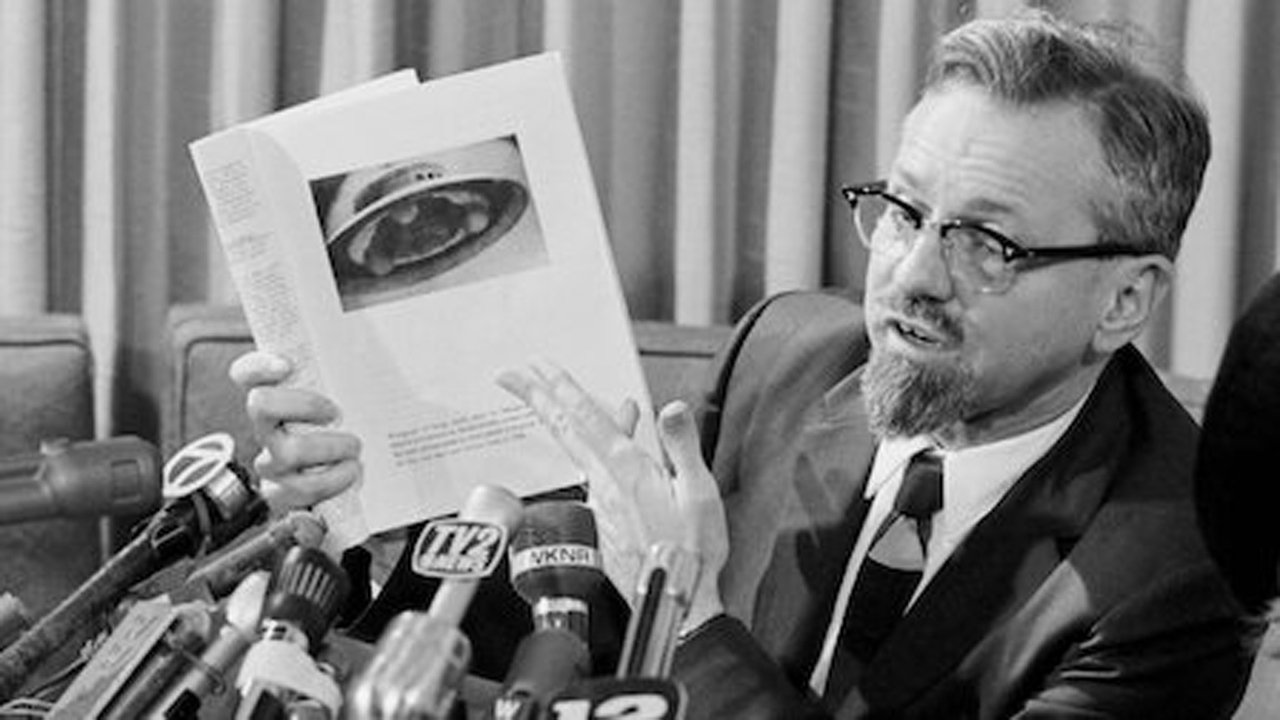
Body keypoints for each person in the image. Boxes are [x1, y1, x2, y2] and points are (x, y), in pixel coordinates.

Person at [232, 10, 1253, 719]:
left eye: (988, 244)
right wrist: (354, 522)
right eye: (902, 211)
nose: (912, 277)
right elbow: (539, 644)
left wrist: (692, 612)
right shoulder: (787, 357)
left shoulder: (1179, 571)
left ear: (1125, 299)